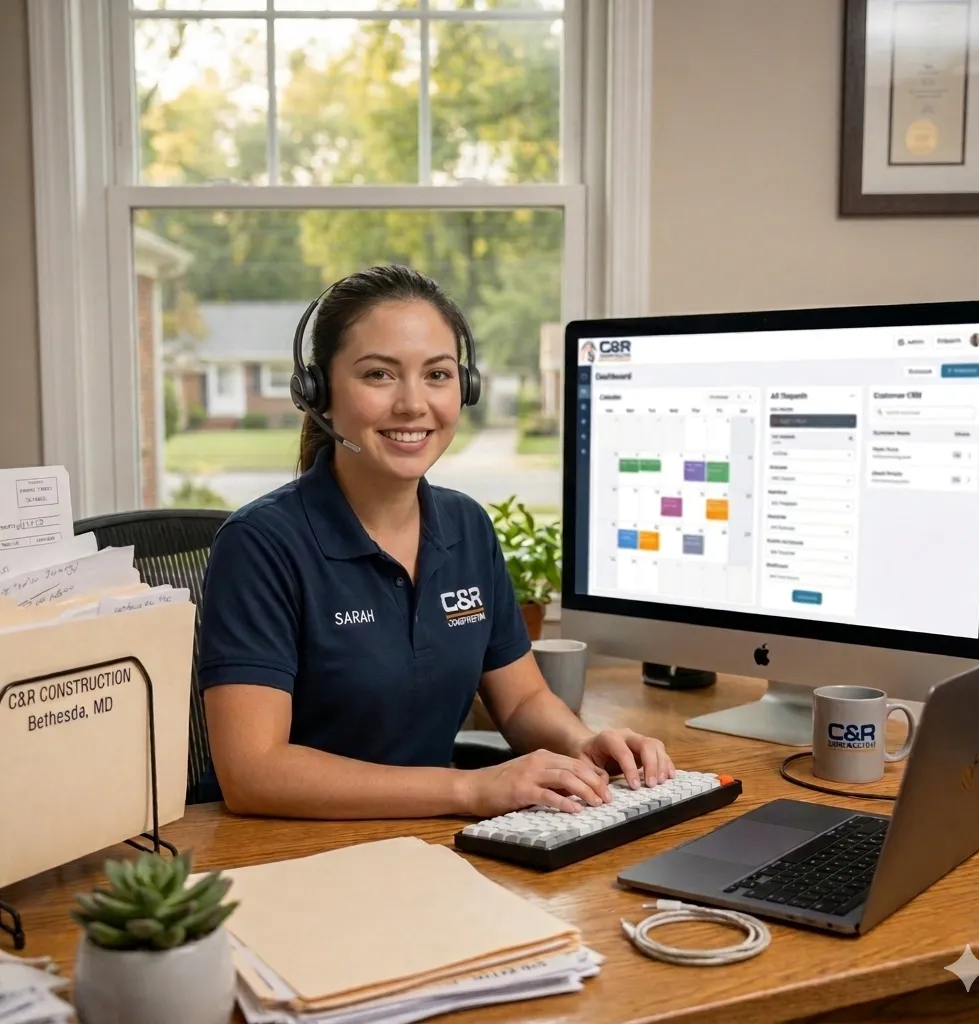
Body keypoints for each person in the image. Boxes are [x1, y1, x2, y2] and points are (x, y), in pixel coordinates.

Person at [197, 265, 675, 821]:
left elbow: (522, 700)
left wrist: (582, 744)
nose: (412, 403)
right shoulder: (260, 545)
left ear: (464, 389)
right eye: (379, 374)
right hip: (291, 852)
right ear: (318, 394)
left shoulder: (466, 526)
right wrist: (469, 790)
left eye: (438, 374)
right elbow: (254, 773)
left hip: (430, 842)